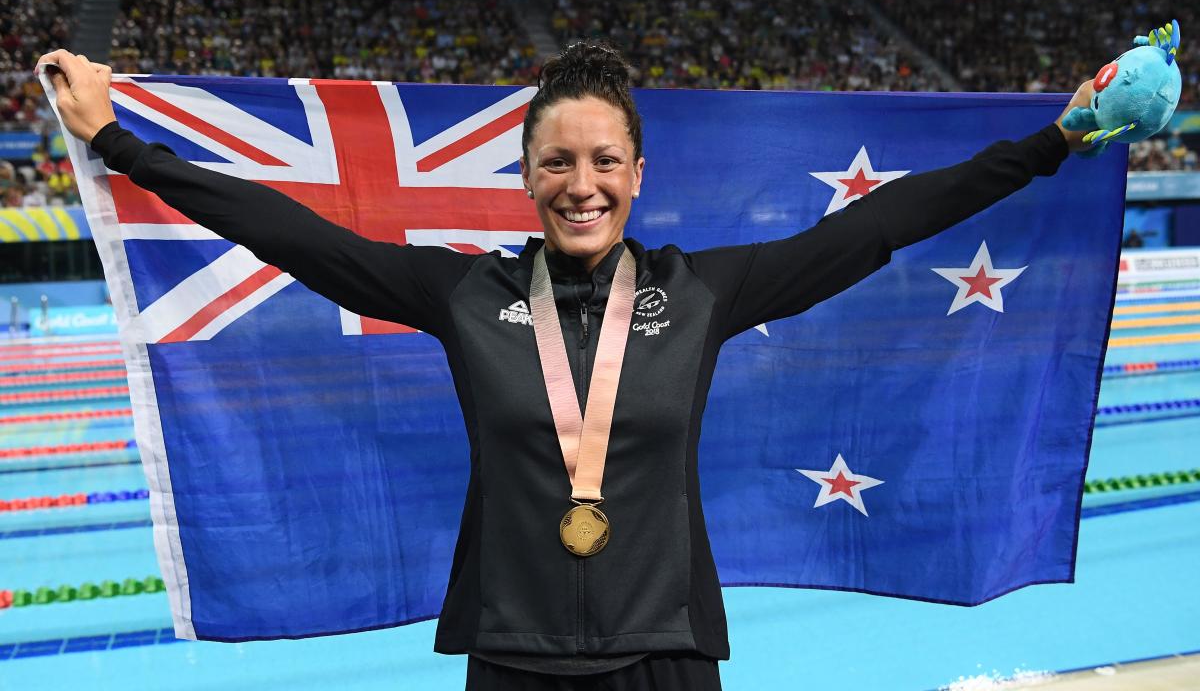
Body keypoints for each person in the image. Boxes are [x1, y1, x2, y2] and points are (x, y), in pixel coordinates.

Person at [36, 43, 1095, 691]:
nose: (580, 183)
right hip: (512, 657)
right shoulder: (464, 293)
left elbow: (884, 225)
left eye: (603, 161)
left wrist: (1052, 141)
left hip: (666, 659)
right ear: (525, 174)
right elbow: (296, 234)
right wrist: (125, 147)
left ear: (637, 172)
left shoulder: (700, 291)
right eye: (556, 160)